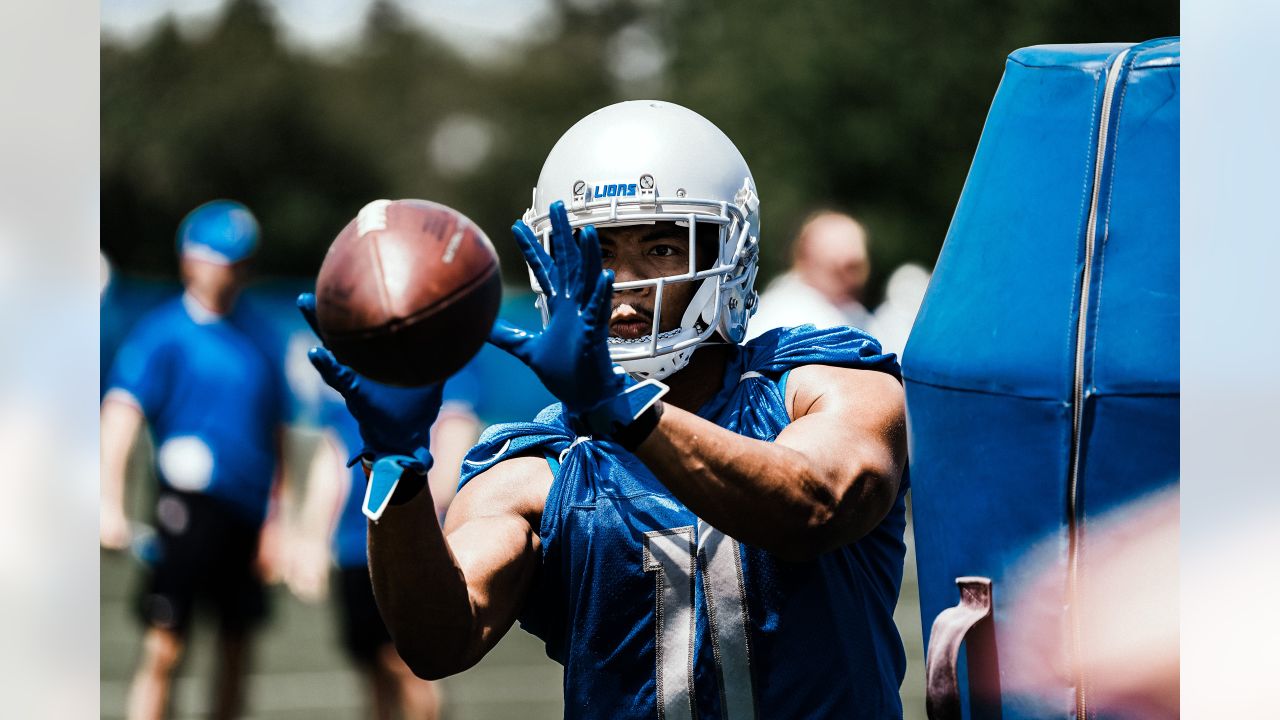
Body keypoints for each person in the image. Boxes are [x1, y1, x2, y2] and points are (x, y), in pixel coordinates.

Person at [300, 100, 909, 718]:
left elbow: (819, 504)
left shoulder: (819, 383)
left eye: (663, 250)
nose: (623, 283)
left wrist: (624, 411)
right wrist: (397, 472)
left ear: (731, 253)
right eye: (598, 253)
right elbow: (439, 641)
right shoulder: (539, 465)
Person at [100, 200, 287, 720]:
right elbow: (120, 414)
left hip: (247, 515)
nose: (228, 273)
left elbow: (278, 435)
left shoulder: (263, 337)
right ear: (188, 260)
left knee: (235, 650)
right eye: (218, 259)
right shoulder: (162, 332)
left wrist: (278, 521)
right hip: (186, 507)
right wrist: (108, 502)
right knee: (166, 644)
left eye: (238, 262)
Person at [287, 378, 482, 720]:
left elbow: (456, 429)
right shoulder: (345, 375)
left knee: (409, 663)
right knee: (372, 664)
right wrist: (312, 538)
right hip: (353, 542)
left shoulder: (439, 362)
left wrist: (421, 522)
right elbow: (331, 456)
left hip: (409, 536)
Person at [745, 210, 873, 340]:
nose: (851, 279)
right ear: (806, 258)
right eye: (839, 269)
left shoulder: (854, 312)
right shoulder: (783, 311)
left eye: (855, 267)